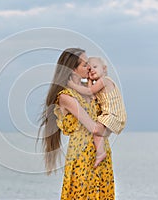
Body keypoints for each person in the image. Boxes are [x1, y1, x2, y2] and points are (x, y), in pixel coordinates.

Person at [38, 48, 115, 199]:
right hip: (82, 157)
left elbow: (108, 118)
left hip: (102, 153)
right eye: (85, 65)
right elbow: (94, 127)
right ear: (73, 69)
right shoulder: (66, 97)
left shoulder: (91, 90)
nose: (90, 67)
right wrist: (108, 126)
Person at [68, 56, 127, 167]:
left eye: (95, 67)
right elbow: (92, 98)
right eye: (89, 69)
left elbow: (89, 92)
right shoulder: (97, 84)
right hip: (108, 116)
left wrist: (72, 85)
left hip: (112, 114)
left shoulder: (104, 81)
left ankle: (101, 153)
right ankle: (101, 153)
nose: (92, 70)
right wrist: (90, 80)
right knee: (97, 133)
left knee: (95, 129)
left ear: (104, 69)